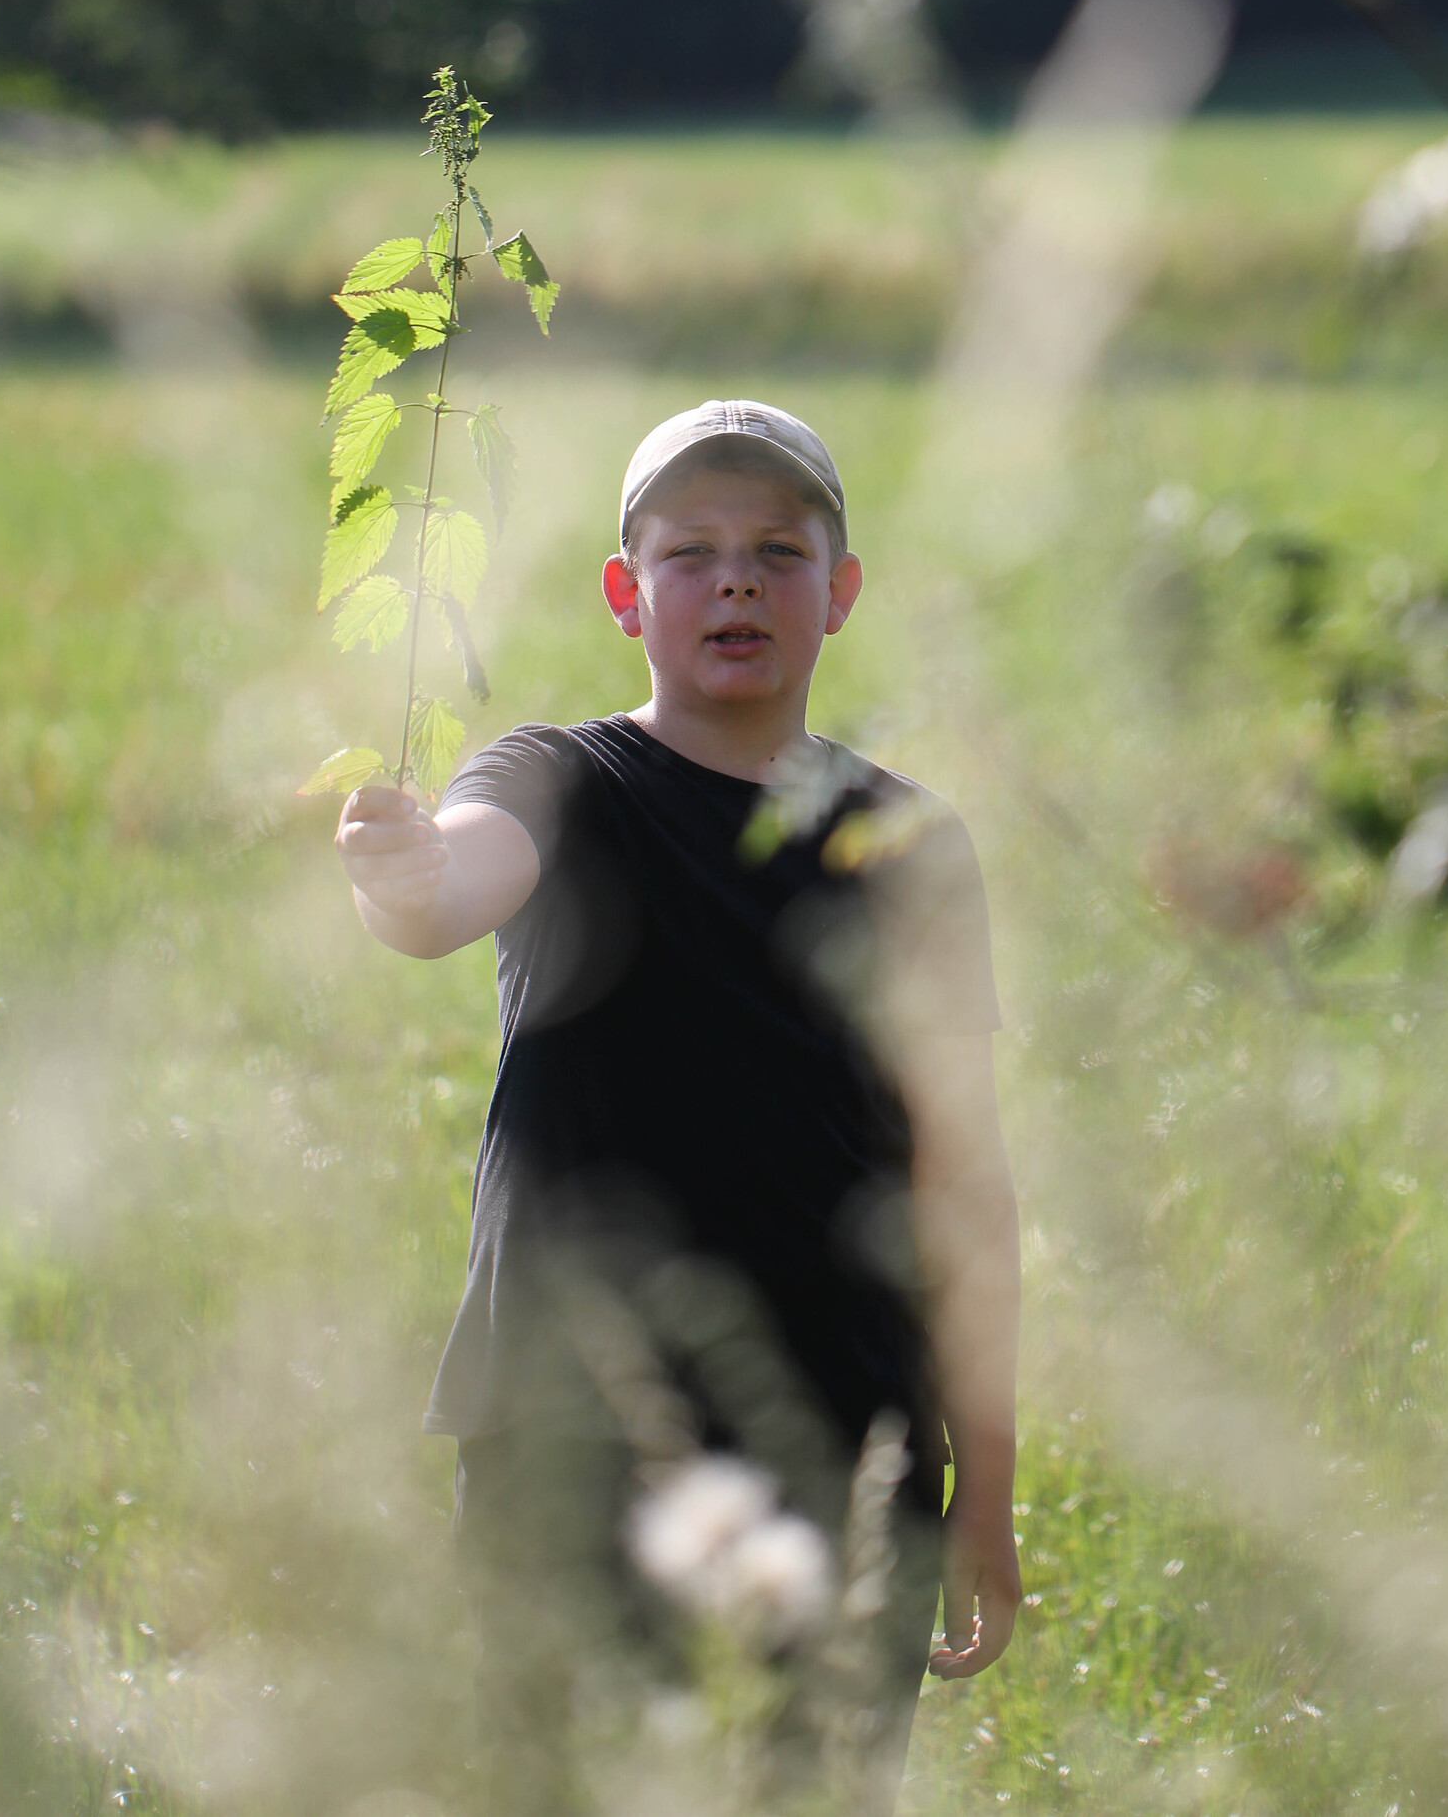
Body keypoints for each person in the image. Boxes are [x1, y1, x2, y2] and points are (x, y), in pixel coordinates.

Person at [335, 399, 1021, 1814]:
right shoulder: (560, 782)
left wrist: (989, 1489)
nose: (735, 584)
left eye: (778, 552)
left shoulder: (909, 842)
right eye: (691, 552)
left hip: (842, 1437)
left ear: (841, 591)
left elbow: (964, 1185)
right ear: (624, 592)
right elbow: (448, 887)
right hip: (568, 1433)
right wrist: (399, 874)